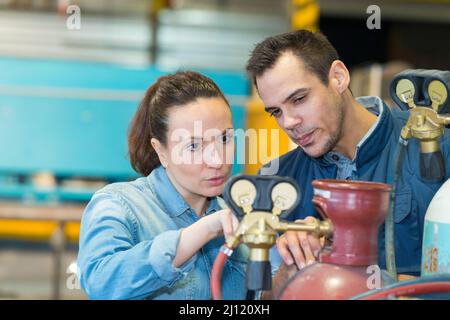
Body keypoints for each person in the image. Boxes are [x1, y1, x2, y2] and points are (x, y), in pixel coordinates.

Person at [245, 30, 450, 277]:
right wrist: (290, 266)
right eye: (275, 112)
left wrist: (386, 285)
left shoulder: (438, 148)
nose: (288, 122)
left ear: (338, 78)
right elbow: (261, 294)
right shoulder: (275, 182)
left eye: (299, 99)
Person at [77, 71, 248, 300]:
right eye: (194, 146)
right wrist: (201, 232)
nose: (217, 160)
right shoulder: (119, 205)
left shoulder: (239, 214)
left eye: (225, 139)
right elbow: (101, 282)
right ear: (161, 151)